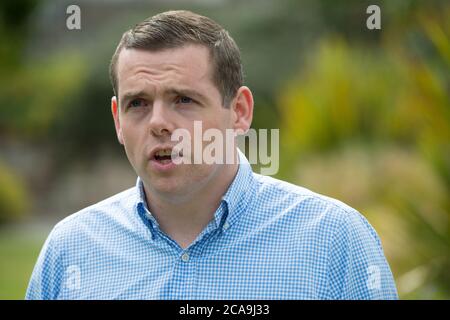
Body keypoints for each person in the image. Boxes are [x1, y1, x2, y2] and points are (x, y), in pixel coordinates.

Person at [26, 10, 398, 300]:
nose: (158, 123)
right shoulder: (69, 249)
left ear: (239, 111)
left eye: (183, 100)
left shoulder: (334, 238)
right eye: (137, 103)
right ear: (117, 121)